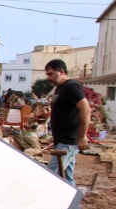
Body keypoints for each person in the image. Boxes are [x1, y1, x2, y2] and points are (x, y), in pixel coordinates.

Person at [44, 59, 90, 188]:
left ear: (62, 71)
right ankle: (75, 208)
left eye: (51, 74)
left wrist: (82, 136)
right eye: (47, 74)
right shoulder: (60, 88)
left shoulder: (71, 87)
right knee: (67, 176)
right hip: (61, 140)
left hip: (68, 140)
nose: (48, 77)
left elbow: (85, 108)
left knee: (51, 174)